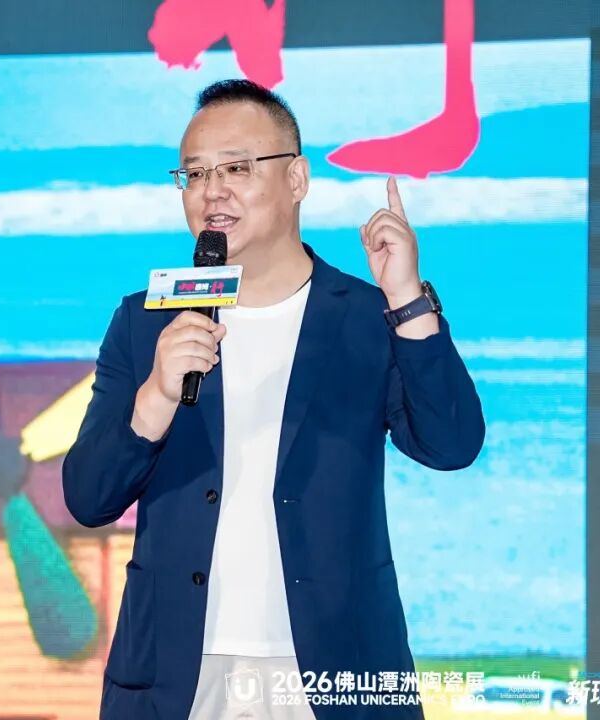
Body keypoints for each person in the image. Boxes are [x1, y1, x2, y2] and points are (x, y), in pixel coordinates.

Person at [62, 79, 485, 720]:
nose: (212, 191)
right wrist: (154, 399)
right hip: (176, 675)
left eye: (236, 168)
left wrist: (407, 300)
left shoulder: (366, 315)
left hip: (338, 673)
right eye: (195, 173)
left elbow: (451, 445)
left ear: (297, 179)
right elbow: (88, 498)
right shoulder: (146, 322)